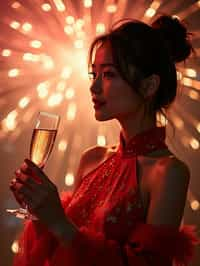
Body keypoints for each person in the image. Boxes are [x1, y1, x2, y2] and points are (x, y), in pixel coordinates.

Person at [10, 15, 199, 266]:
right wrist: (40, 211)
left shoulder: (169, 172)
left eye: (109, 74)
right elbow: (57, 252)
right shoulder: (92, 159)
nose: (94, 87)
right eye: (94, 74)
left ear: (149, 86)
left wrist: (57, 219)